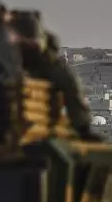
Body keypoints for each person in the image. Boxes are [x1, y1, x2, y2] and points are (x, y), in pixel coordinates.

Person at [9, 10, 96, 139]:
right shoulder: (5, 30)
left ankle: (82, 126)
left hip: (46, 65)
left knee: (70, 85)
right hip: (24, 69)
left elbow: (39, 46)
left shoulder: (33, 29)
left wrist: (20, 41)